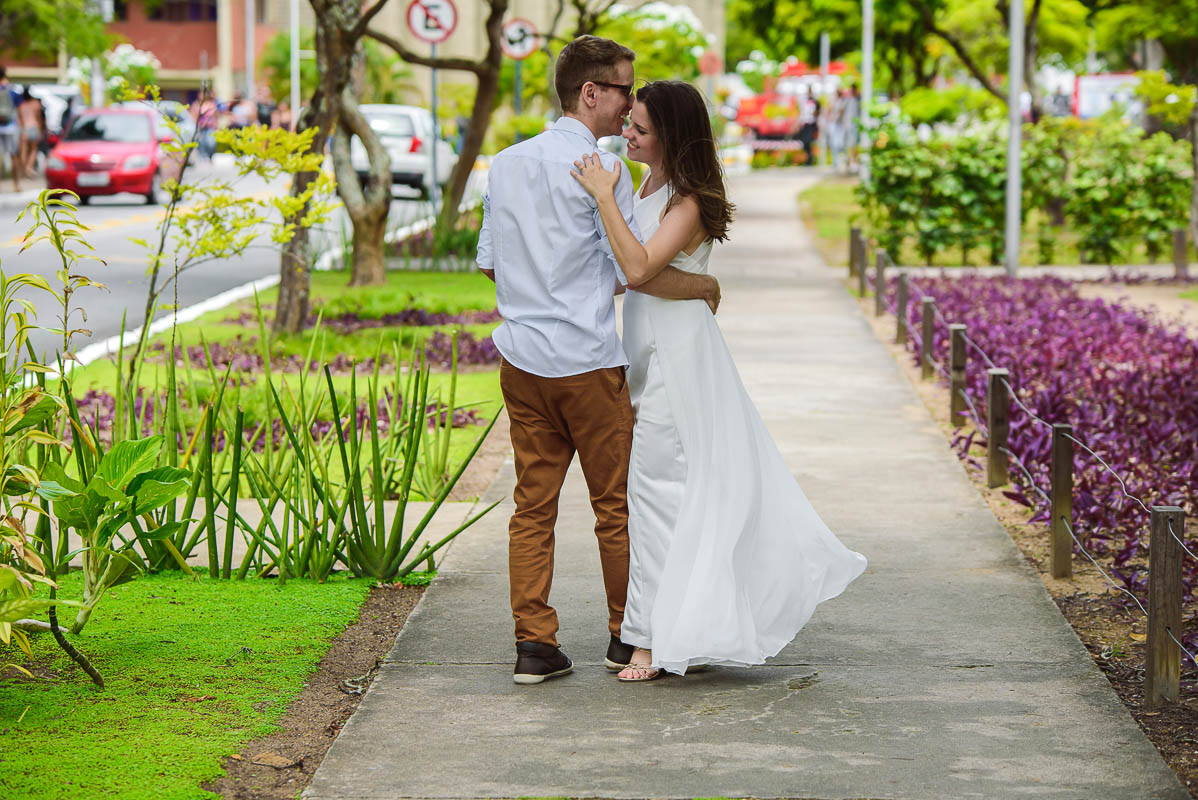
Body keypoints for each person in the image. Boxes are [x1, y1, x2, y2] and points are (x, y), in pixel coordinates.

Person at [571, 80, 867, 681]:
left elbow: (636, 267)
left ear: (671, 137)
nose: (626, 133)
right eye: (629, 123)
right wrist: (701, 284)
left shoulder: (688, 200)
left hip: (680, 358)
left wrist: (603, 198)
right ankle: (686, 624)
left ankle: (651, 640)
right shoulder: (645, 183)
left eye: (641, 129)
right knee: (663, 493)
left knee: (655, 496)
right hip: (648, 350)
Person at [476, 36, 721, 686]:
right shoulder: (601, 170)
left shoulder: (503, 165)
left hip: (522, 362)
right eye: (622, 91)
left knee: (533, 506)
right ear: (592, 92)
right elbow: (632, 269)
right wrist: (700, 287)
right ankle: (625, 636)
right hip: (587, 362)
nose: (629, 105)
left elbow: (491, 262)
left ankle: (535, 645)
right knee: (615, 506)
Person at [16, 87, 45, 178]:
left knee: (24, 150)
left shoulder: (21, 105)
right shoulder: (36, 103)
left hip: (24, 129)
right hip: (34, 127)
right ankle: (29, 167)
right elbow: (39, 119)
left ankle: (25, 170)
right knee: (33, 149)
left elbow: (19, 120)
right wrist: (40, 131)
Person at [0, 68, 20, 191]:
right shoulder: (12, 89)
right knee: (14, 155)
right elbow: (19, 107)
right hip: (11, 126)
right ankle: (16, 185)